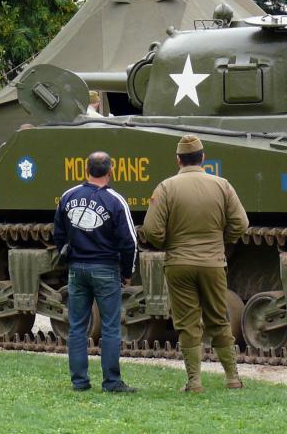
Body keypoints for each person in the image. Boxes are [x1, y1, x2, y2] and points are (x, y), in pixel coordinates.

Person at [142, 135, 249, 393]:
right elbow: (241, 223)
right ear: (203, 158)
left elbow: (151, 230)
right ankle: (233, 379)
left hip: (179, 262)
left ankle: (194, 382)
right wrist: (221, 241)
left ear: (178, 160)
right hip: (213, 262)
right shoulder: (222, 185)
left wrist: (169, 244)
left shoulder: (166, 187)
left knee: (187, 322)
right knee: (218, 319)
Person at [53, 151, 138, 393]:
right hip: (105, 268)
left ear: (86, 170)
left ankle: (79, 381)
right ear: (111, 171)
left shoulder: (68, 196)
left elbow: (58, 233)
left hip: (77, 268)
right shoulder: (115, 200)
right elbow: (129, 242)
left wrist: (69, 256)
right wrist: (127, 271)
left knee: (77, 326)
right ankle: (111, 381)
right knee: (110, 326)